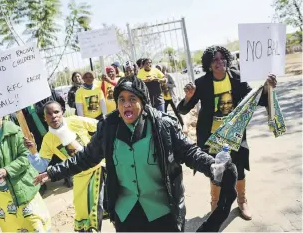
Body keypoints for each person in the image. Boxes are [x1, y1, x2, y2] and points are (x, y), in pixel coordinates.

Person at [33, 77, 237, 232]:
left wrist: (212, 166)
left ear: (143, 102)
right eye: (121, 99)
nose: (126, 104)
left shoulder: (163, 126)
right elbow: (86, 157)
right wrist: (53, 172)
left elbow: (189, 152)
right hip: (126, 214)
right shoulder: (108, 129)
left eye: (132, 99)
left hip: (162, 212)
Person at [177, 45, 277, 220]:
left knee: (239, 167)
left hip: (235, 134)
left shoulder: (237, 78)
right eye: (214, 59)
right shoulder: (202, 83)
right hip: (212, 137)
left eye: (222, 58)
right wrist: (188, 96)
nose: (219, 62)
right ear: (209, 65)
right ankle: (215, 205)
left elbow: (258, 100)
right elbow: (183, 110)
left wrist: (268, 87)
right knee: (216, 170)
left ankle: (242, 201)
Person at [25, 101, 105, 232]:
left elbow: (102, 127)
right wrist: (32, 151)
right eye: (49, 114)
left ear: (62, 112)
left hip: (99, 168)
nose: (53, 116)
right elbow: (41, 166)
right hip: (79, 176)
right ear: (44, 118)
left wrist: (98, 146)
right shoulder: (48, 139)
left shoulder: (75, 121)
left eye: (56, 112)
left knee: (96, 209)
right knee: (81, 214)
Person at [0, 118, 51, 232]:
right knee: (10, 227)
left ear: (2, 115)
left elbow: (26, 156)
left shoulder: (15, 131)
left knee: (33, 226)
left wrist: (7, 170)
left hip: (18, 190)